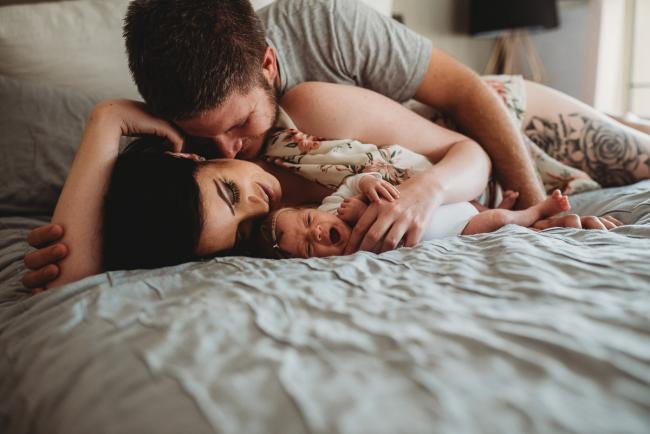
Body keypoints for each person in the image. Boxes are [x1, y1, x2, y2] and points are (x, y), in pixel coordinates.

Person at [23, 0, 649, 289]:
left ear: (268, 66)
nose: (230, 149)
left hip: (495, 117)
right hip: (443, 166)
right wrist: (106, 121)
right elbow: (69, 281)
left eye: (239, 124)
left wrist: (539, 210)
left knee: (636, 152)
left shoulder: (320, 68)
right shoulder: (180, 177)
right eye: (202, 136)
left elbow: (465, 100)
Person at [258, 185, 580, 259]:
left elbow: (363, 183)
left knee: (480, 207)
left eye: (309, 219)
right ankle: (529, 213)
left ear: (315, 208)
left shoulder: (337, 207)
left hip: (443, 207)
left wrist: (366, 193)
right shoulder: (348, 256)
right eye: (309, 248)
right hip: (455, 229)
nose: (315, 232)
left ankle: (522, 207)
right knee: (494, 221)